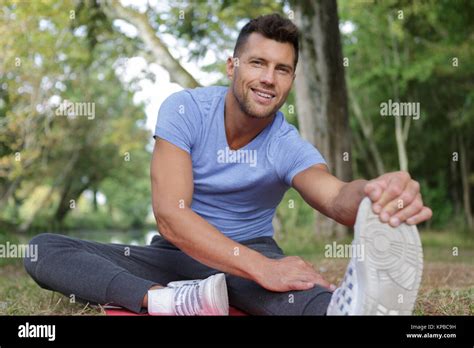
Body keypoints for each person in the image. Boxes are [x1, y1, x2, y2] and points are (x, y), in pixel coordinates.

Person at [24, 13, 432, 316]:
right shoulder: (184, 110)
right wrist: (259, 268)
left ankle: (342, 309)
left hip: (249, 257)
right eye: (257, 63)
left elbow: (337, 196)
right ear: (232, 65)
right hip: (174, 255)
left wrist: (375, 193)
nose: (269, 79)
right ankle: (165, 300)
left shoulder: (286, 144)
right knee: (44, 250)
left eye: (282, 69)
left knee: (291, 293)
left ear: (291, 80)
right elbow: (170, 215)